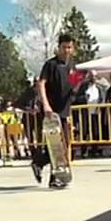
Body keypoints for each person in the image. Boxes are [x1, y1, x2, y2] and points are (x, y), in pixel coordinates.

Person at [31, 34, 77, 188]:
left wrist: (84, 80)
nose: (67, 50)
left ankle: (40, 163)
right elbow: (41, 84)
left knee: (64, 145)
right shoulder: (51, 64)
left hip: (64, 110)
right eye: (64, 47)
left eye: (69, 47)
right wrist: (45, 104)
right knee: (56, 145)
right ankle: (54, 177)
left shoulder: (73, 66)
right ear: (58, 48)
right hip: (51, 110)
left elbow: (73, 86)